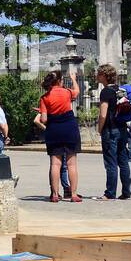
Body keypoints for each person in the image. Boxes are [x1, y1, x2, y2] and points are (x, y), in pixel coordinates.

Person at [35, 69, 82, 202]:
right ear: (60, 81)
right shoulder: (66, 92)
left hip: (54, 130)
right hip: (69, 128)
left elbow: (43, 120)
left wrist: (45, 111)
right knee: (71, 164)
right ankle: (73, 194)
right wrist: (73, 79)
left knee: (55, 164)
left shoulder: (44, 98)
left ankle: (55, 194)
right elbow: (77, 92)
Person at [96, 64, 131, 199]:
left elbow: (103, 114)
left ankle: (110, 193)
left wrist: (99, 129)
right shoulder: (120, 90)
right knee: (123, 161)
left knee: (110, 162)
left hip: (110, 130)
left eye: (99, 74)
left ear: (104, 76)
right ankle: (126, 192)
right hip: (122, 129)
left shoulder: (105, 92)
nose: (96, 76)